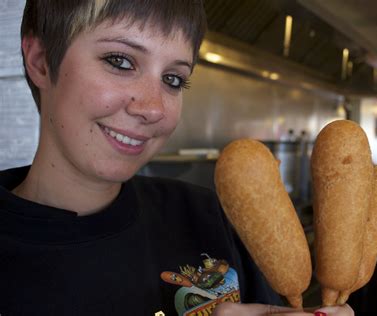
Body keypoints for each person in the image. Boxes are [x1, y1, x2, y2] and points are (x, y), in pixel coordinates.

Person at [0, 1, 354, 315]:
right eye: (120, 61)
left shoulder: (207, 216)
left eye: (173, 79)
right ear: (41, 61)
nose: (153, 108)